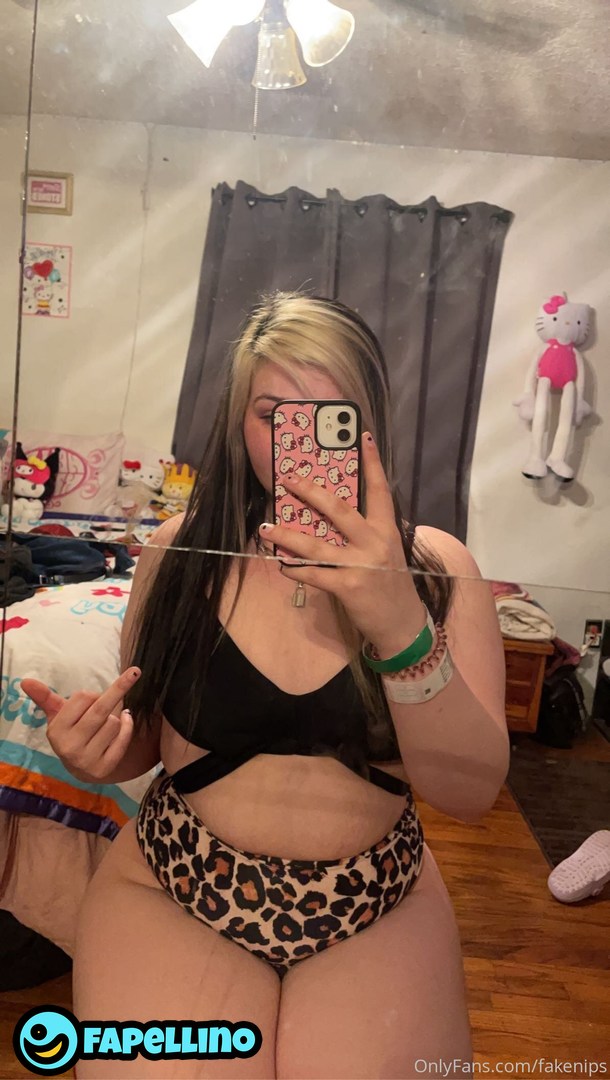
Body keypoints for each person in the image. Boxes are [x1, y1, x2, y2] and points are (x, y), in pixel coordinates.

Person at [24, 293, 509, 1079]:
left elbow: (471, 793)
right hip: (176, 883)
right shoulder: (182, 554)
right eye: (273, 415)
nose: (298, 440)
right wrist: (97, 754)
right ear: (237, 425)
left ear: (370, 422)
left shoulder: (438, 569)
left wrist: (400, 626)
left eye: (330, 414)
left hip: (373, 901)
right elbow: (148, 743)